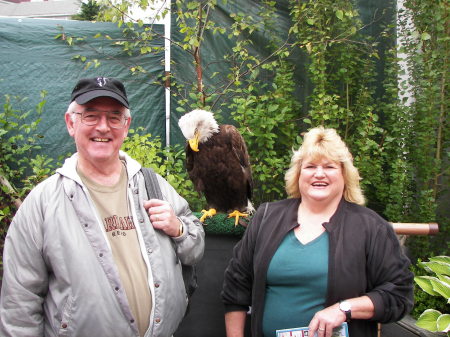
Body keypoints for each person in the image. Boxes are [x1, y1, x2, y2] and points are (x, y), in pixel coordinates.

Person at [0, 77, 205, 337]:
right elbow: (19, 302)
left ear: (126, 125)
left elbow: (195, 250)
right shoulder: (43, 203)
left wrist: (179, 230)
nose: (103, 127)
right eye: (91, 116)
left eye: (114, 117)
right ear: (70, 123)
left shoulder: (155, 185)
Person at [221, 126, 414, 337]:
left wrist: (344, 309)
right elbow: (236, 286)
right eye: (310, 166)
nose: (319, 174)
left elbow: (399, 294)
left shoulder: (371, 227)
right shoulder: (267, 217)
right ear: (298, 173)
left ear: (344, 174)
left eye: (329, 167)